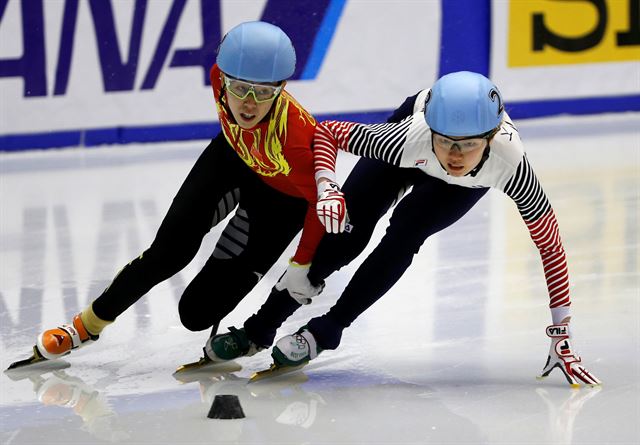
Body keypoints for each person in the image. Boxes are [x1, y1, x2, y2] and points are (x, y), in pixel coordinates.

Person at [212, 71, 601, 387]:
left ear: (492, 138)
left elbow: (550, 245)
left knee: (406, 235)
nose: (453, 155)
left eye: (467, 145)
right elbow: (326, 133)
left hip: (454, 185)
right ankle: (258, 329)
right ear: (431, 129)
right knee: (344, 235)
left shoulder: (510, 166)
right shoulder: (406, 138)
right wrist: (328, 186)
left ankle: (327, 331)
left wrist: (561, 332)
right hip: (411, 147)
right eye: (446, 142)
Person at [18, 21, 333, 368]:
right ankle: (85, 326)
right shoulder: (217, 78)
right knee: (167, 252)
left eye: (262, 92)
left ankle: (254, 334)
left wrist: (301, 263)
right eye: (239, 88)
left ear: (280, 88)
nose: (248, 103)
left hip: (281, 200)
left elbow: (321, 202)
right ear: (223, 78)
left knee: (196, 313)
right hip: (233, 158)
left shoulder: (299, 141)